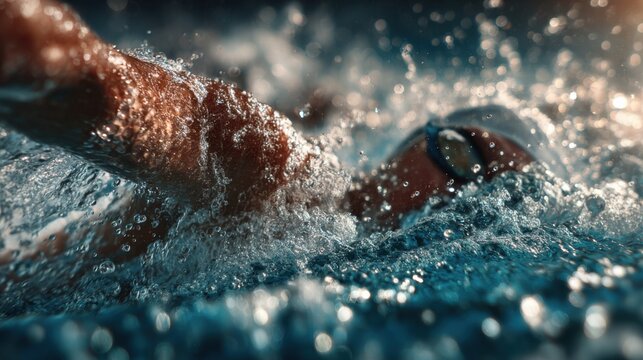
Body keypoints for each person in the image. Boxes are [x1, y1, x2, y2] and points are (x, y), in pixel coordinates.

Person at [0, 0, 545, 264]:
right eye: (464, 157)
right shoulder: (287, 177)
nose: (460, 199)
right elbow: (109, 92)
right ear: (411, 146)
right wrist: (24, 47)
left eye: (498, 195)